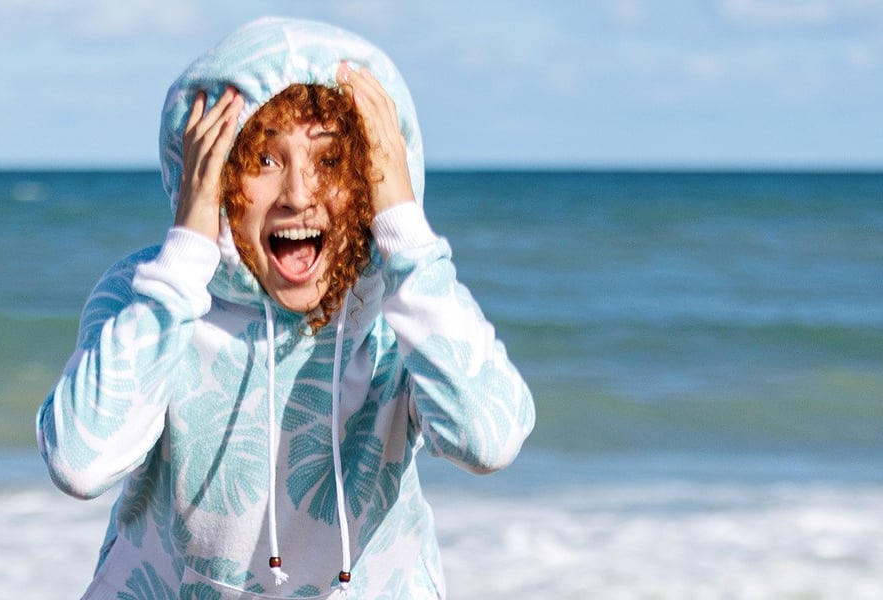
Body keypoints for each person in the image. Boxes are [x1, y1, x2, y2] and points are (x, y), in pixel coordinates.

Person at [38, 16, 535, 599]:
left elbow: (489, 439)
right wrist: (189, 250)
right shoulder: (151, 296)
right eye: (264, 161)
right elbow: (79, 462)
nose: (299, 194)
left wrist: (404, 229)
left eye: (329, 162)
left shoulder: (402, 314)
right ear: (213, 175)